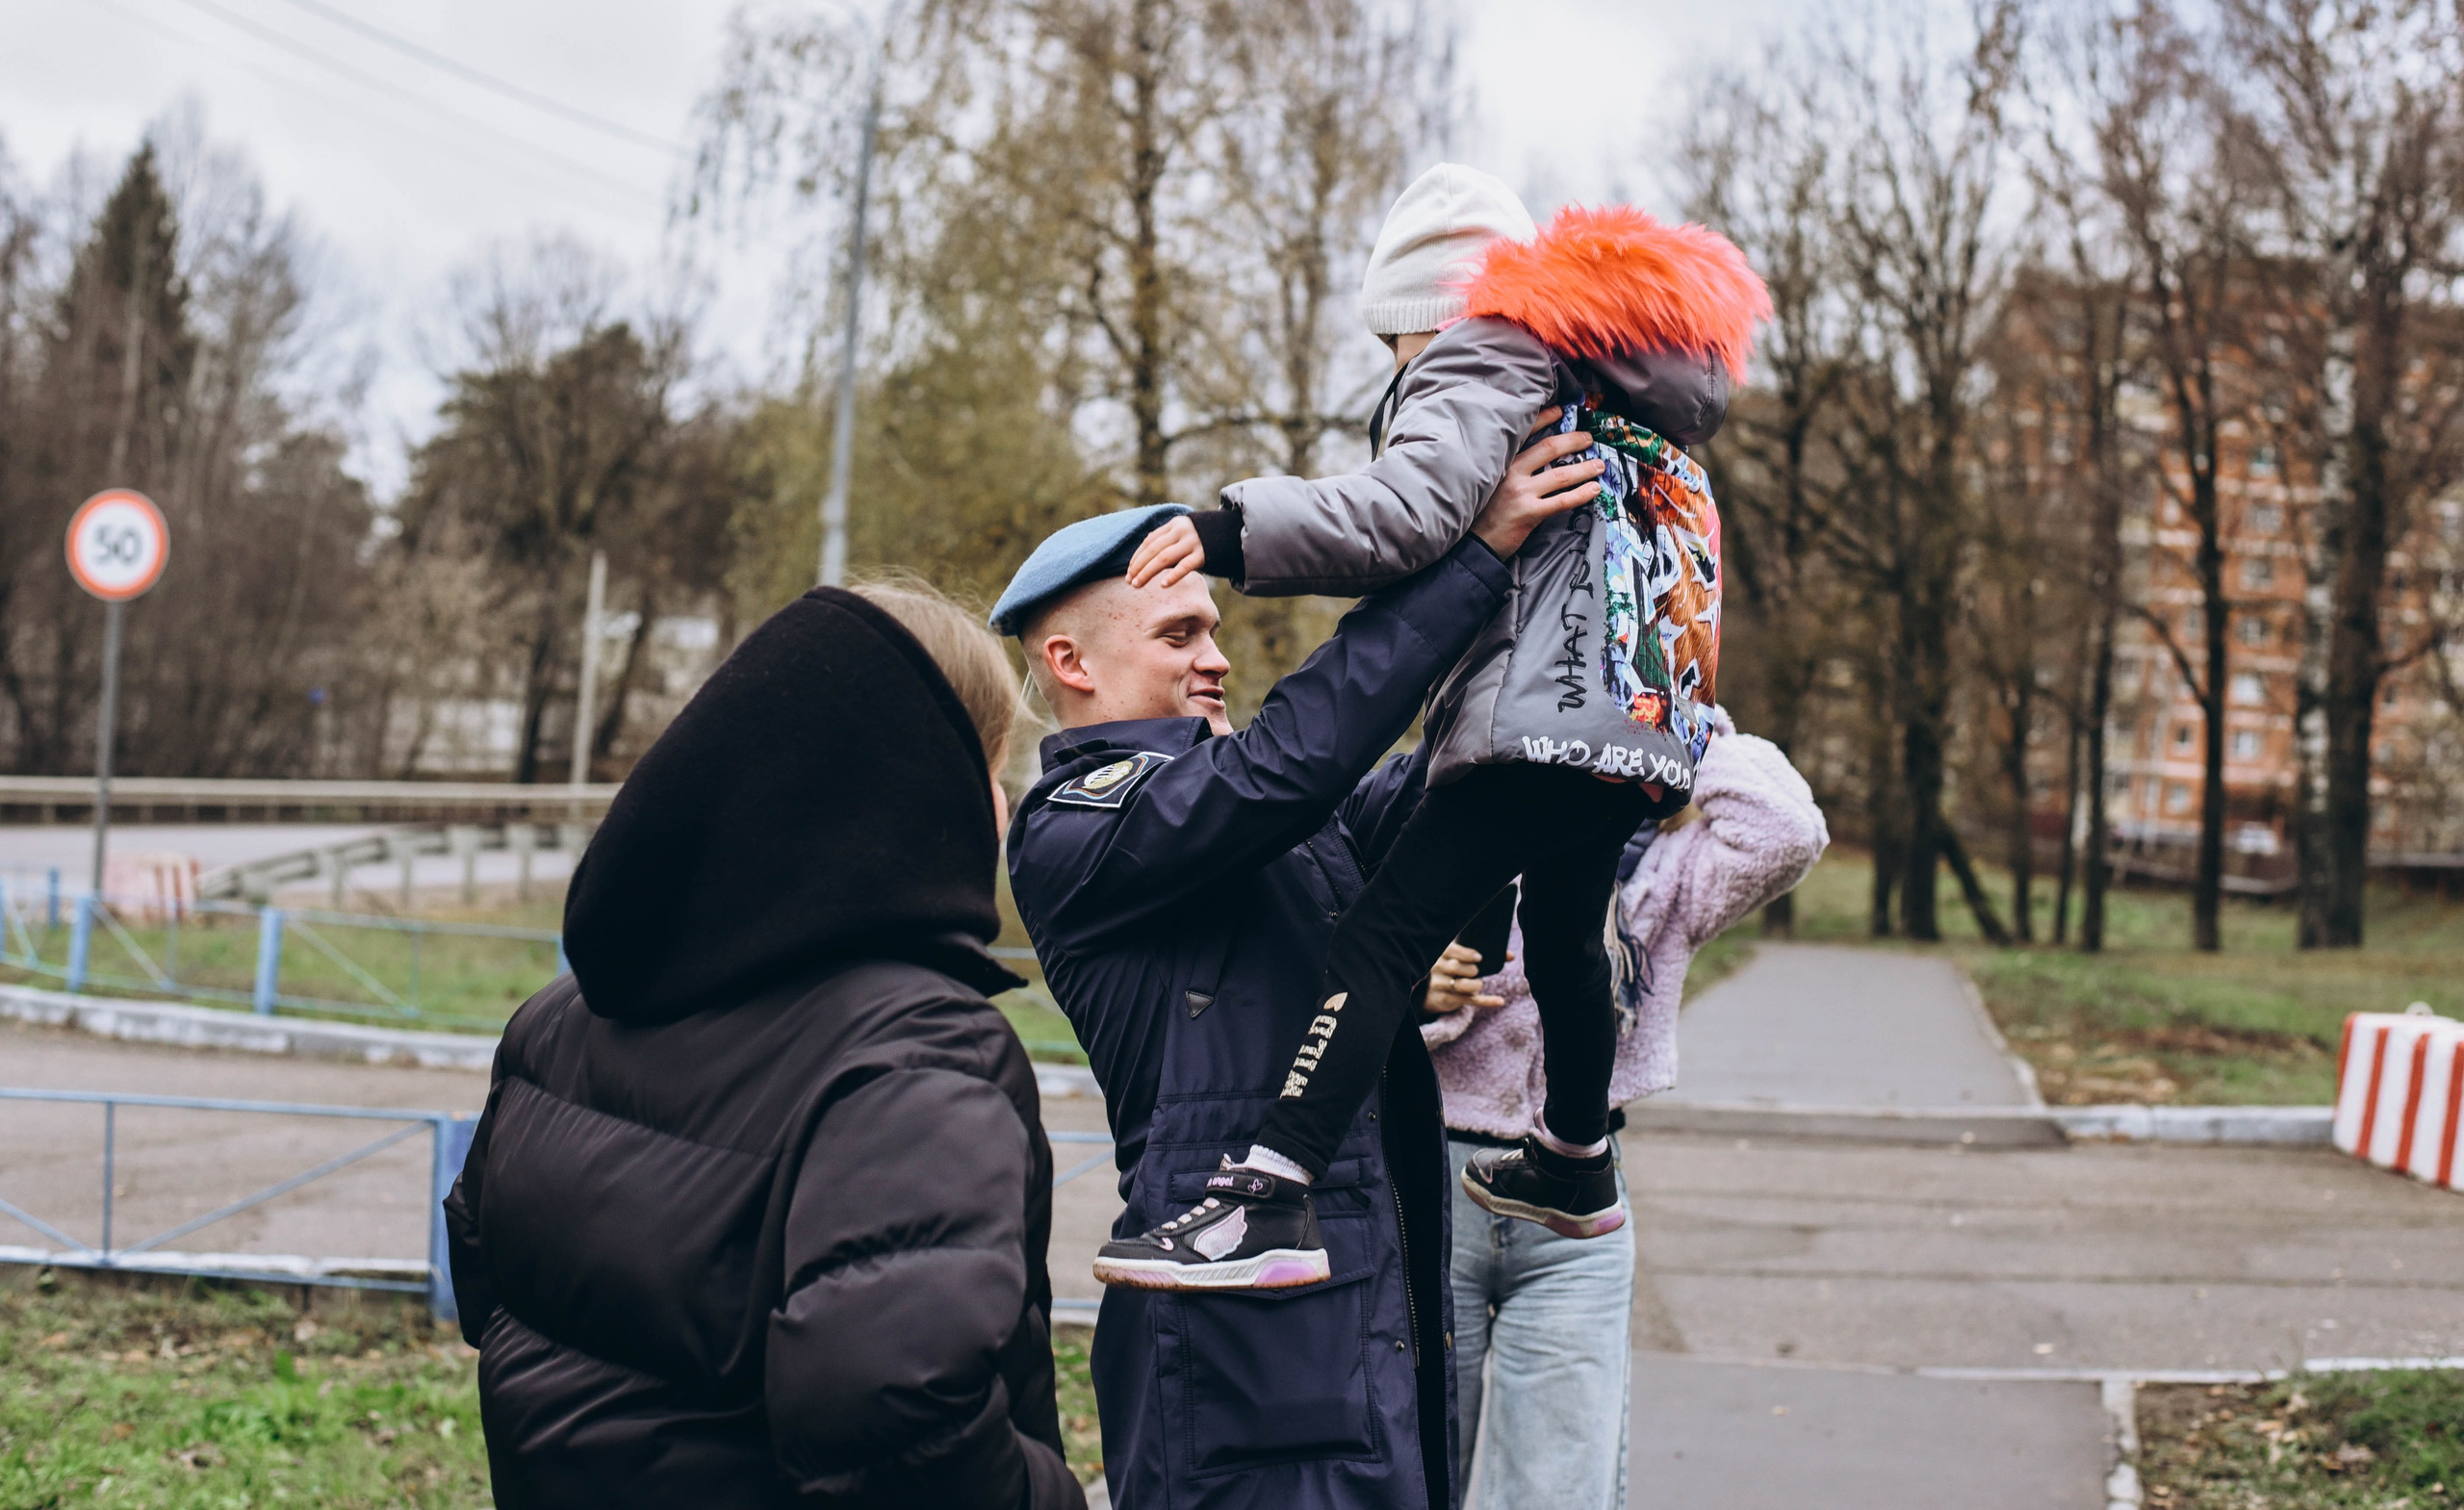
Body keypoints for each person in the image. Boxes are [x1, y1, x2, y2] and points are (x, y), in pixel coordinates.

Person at [1106, 162, 1773, 1276]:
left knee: (1375, 941)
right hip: (1642, 728)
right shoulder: (1613, 383)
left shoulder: (1485, 350)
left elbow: (1402, 512)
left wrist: (1229, 530)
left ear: (1425, 313)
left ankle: (1266, 1197)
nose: (1397, 374)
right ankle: (1575, 1156)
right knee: (1563, 937)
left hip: (1539, 721)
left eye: (1390, 347)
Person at [993, 452, 1585, 1510]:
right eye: (1180, 635)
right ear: (1070, 660)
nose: (1215, 658)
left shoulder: (1255, 813)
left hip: (1359, 1298)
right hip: (1244, 1350)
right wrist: (1468, 560)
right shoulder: (1079, 822)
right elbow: (1291, 767)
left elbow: (1426, 794)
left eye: (1214, 630)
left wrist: (1574, 691)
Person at [443, 581, 1085, 1510]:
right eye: (989, 768)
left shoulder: (556, 1022)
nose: (1001, 806)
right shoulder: (918, 1056)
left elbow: (492, 1294)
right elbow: (906, 1423)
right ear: (916, 782)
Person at [1424, 710, 1828, 1509]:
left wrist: (1674, 702)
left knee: (1561, 1489)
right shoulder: (1456, 818)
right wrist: (1413, 984)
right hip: (1432, 1186)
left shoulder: (1669, 874)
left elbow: (1787, 830)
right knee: (1412, 1468)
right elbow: (1335, 956)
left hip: (1577, 1208)